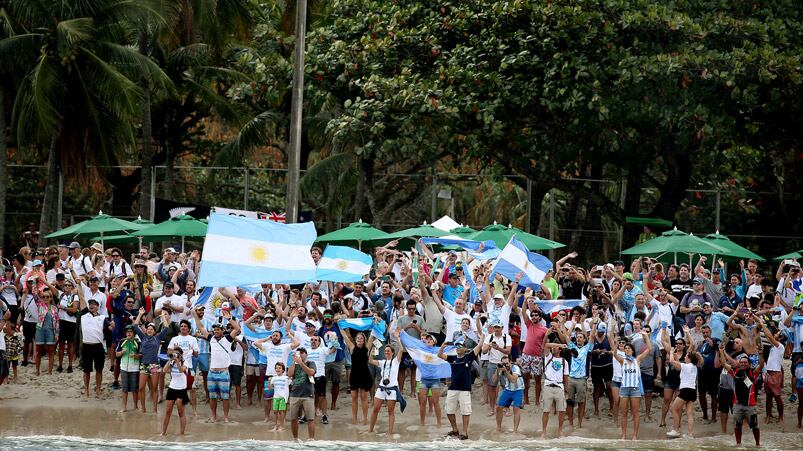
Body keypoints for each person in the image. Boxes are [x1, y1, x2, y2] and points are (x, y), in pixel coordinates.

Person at [438, 327, 484, 440]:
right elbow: (440, 355)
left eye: (460, 346)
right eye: (457, 346)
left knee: (465, 411)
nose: (458, 348)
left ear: (465, 348)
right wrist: (442, 347)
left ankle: (465, 432)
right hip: (452, 388)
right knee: (449, 410)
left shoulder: (469, 356)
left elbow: (479, 346)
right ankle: (455, 429)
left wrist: (482, 337)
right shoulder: (452, 358)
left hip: (465, 389)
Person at [197, 310, 241, 423]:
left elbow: (237, 329)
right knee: (212, 397)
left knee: (225, 397)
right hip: (212, 372)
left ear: (222, 330)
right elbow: (201, 328)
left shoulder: (227, 338)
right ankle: (214, 416)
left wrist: (229, 318)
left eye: (218, 329)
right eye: (214, 329)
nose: (216, 331)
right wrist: (194, 315)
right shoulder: (211, 339)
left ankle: (226, 417)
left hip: (224, 372)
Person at [612, 330, 652, 440]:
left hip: (635, 389)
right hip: (624, 389)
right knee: (624, 413)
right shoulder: (622, 360)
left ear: (632, 350)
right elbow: (614, 354)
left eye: (629, 348)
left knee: (635, 413)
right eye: (626, 348)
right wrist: (616, 343)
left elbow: (649, 349)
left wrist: (646, 336)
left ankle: (635, 436)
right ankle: (624, 435)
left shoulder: (637, 359)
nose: (627, 349)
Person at [718, 347, 762, 446]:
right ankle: (738, 444)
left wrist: (760, 353)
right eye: (741, 362)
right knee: (737, 426)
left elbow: (761, 364)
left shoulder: (753, 373)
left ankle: (758, 445)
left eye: (745, 362)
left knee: (755, 426)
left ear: (749, 364)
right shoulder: (735, 372)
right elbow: (724, 364)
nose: (743, 364)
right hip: (737, 405)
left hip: (750, 405)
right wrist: (721, 352)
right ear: (739, 363)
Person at [132, 308, 171, 414]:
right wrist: (140, 314)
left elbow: (166, 328)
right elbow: (135, 326)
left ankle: (154, 409)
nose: (149, 330)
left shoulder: (157, 338)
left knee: (154, 387)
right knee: (141, 388)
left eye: (152, 329)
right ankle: (143, 409)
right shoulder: (143, 337)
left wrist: (163, 316)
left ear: (155, 331)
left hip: (154, 365)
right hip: (144, 365)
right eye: (148, 328)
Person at [368, 328, 405, 435]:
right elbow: (370, 361)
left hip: (392, 389)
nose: (386, 352)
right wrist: (372, 352)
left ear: (392, 353)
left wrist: (397, 338)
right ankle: (370, 430)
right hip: (381, 388)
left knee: (390, 411)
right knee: (375, 409)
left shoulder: (396, 361)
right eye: (385, 351)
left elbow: (401, 350)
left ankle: (390, 432)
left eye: (388, 351)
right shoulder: (382, 362)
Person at [666, 342, 703, 438]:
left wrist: (670, 352)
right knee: (689, 413)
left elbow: (672, 361)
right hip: (693, 391)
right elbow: (680, 363)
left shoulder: (686, 366)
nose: (685, 357)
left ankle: (676, 430)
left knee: (674, 408)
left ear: (689, 358)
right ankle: (690, 434)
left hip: (685, 390)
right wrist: (676, 356)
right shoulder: (694, 366)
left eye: (686, 356)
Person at [80, 295, 112, 399]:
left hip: (98, 346)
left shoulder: (102, 318)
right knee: (86, 370)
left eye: (94, 304)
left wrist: (112, 326)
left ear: (98, 307)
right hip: (86, 346)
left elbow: (110, 328)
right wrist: (79, 283)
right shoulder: (84, 315)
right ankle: (86, 389)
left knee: (99, 369)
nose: (91, 305)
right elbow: (81, 297)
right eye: (90, 304)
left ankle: (98, 389)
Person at [167, 319, 200, 416]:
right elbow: (168, 351)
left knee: (192, 389)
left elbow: (197, 354)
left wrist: (192, 350)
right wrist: (173, 351)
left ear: (189, 329)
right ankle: (178, 409)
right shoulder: (175, 339)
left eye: (185, 326)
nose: (183, 327)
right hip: (176, 367)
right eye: (182, 326)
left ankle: (194, 410)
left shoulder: (193, 339)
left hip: (188, 367)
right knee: (176, 388)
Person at [341, 326, 374, 424]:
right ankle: (354, 418)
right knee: (354, 398)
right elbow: (345, 336)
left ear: (364, 340)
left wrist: (374, 324)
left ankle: (365, 418)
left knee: (364, 397)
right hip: (354, 375)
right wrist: (340, 325)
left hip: (364, 375)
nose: (359, 339)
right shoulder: (352, 348)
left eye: (361, 338)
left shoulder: (367, 348)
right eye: (358, 338)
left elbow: (372, 336)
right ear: (355, 340)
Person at [482, 319, 512, 416]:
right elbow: (483, 351)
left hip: (504, 364)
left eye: (498, 327)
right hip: (492, 364)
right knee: (491, 386)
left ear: (502, 328)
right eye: (495, 327)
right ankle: (492, 408)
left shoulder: (507, 337)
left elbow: (508, 351)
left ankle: (507, 408)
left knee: (505, 386)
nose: (496, 329)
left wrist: (498, 348)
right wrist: (490, 346)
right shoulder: (489, 337)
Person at [541, 341, 569, 438]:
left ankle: (560, 430)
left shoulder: (564, 362)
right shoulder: (548, 357)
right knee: (546, 410)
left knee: (562, 410)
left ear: (560, 350)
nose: (554, 348)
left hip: (559, 387)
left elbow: (566, 377)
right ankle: (544, 431)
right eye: (553, 346)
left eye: (556, 347)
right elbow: (546, 345)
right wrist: (559, 345)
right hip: (548, 385)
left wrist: (566, 391)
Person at [288, 347, 317, 440]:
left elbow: (311, 372)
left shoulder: (311, 363)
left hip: (308, 394)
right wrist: (294, 362)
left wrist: (301, 363)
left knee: (310, 418)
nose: (300, 354)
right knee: (293, 418)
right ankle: (295, 439)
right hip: (294, 394)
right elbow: (289, 374)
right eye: (298, 353)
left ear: (306, 354)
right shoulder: (294, 364)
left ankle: (311, 439)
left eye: (302, 353)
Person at [161, 347, 189, 436]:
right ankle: (163, 432)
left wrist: (177, 360)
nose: (175, 354)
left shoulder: (185, 362)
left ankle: (182, 433)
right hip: (172, 388)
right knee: (168, 411)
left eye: (177, 353)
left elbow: (181, 370)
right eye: (174, 353)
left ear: (181, 354)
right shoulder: (172, 362)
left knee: (181, 412)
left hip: (181, 389)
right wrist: (170, 360)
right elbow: (164, 370)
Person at [494, 354, 524, 433]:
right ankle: (498, 428)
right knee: (498, 407)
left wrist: (505, 370)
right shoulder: (501, 368)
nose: (505, 365)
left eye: (507, 363)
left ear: (510, 362)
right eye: (504, 363)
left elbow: (513, 380)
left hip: (518, 389)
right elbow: (494, 381)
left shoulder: (515, 367)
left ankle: (515, 430)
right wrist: (497, 370)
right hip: (508, 389)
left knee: (516, 408)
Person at [115, 325, 141, 412]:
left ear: (134, 333)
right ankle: (124, 407)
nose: (129, 333)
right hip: (124, 368)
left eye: (130, 332)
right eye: (127, 332)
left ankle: (135, 406)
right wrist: (122, 352)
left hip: (134, 368)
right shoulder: (122, 341)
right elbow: (116, 354)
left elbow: (141, 355)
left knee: (134, 389)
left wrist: (135, 355)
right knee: (124, 388)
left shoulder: (137, 342)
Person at [269, 362, 290, 431]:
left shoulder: (286, 378)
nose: (277, 369)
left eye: (279, 368)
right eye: (276, 368)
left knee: (282, 411)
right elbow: (270, 388)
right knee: (275, 411)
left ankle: (282, 426)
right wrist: (269, 381)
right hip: (276, 397)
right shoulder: (274, 378)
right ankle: (275, 425)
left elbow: (291, 382)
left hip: (283, 397)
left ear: (283, 370)